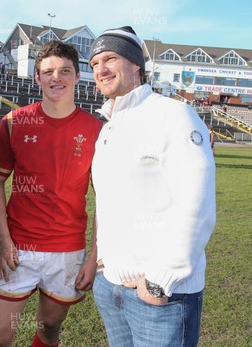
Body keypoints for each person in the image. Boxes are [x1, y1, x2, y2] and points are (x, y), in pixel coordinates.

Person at [88, 26, 216, 347]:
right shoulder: (108, 127)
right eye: (93, 64)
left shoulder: (172, 114)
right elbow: (109, 203)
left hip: (160, 294)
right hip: (112, 285)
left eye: (110, 58)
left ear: (136, 66)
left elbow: (197, 204)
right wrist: (103, 261)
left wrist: (162, 279)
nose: (100, 69)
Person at [0, 41, 102, 347]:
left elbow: (105, 199)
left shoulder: (98, 131)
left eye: (65, 71)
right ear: (37, 78)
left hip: (67, 251)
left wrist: (94, 256)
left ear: (78, 76)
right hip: (16, 250)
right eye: (48, 71)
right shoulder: (14, 122)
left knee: (49, 328)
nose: (56, 77)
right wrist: (2, 238)